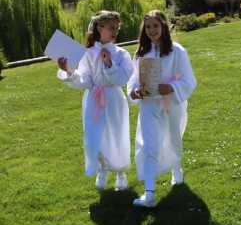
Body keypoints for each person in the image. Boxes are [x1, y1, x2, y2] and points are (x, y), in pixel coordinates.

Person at [57, 11, 133, 190]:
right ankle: (102, 168)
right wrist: (69, 72)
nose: (115, 31)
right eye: (111, 27)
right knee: (93, 137)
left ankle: (121, 173)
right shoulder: (88, 54)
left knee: (116, 134)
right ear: (99, 28)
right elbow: (85, 80)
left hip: (113, 98)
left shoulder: (121, 54)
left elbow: (122, 79)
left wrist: (109, 64)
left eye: (117, 28)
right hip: (93, 98)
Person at [128, 10, 197, 208]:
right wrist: (134, 91)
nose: (152, 30)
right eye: (148, 26)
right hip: (149, 105)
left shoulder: (177, 51)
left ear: (164, 26)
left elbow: (189, 79)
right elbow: (133, 80)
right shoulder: (141, 53)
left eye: (155, 26)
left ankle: (176, 168)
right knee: (149, 144)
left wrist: (173, 87)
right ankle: (149, 192)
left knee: (173, 139)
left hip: (171, 104)